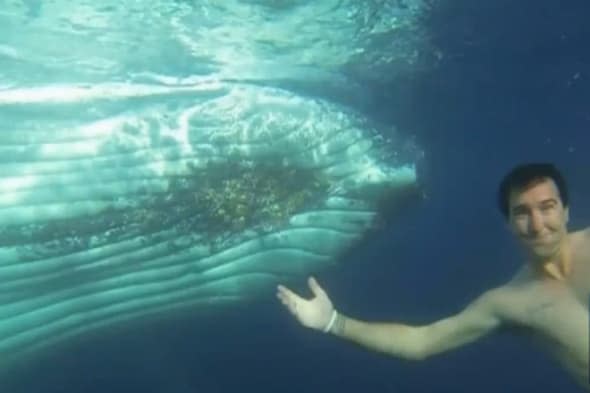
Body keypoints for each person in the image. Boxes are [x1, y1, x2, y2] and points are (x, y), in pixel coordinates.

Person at [276, 162, 589, 390]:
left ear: (566, 211)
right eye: (522, 213)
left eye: (547, 207)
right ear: (509, 224)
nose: (537, 224)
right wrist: (334, 322)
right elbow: (422, 342)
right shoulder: (511, 303)